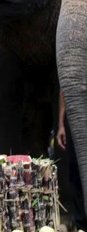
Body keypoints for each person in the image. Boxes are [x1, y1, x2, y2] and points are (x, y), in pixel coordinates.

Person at [57, 91, 86, 229]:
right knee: (75, 170)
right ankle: (81, 224)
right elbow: (64, 88)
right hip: (74, 114)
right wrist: (61, 124)